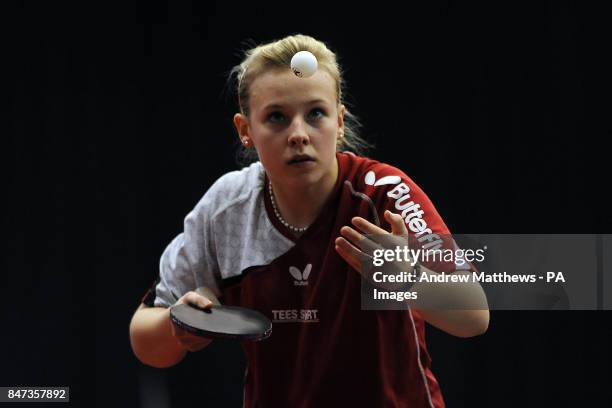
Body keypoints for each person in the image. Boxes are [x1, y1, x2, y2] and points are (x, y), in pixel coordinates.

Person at [129, 34, 489, 408]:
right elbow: (145, 341)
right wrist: (181, 324)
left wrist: (406, 277)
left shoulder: (383, 194)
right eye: (276, 118)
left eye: (316, 113)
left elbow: (473, 315)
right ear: (245, 130)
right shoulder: (226, 209)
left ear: (340, 123)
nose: (298, 135)